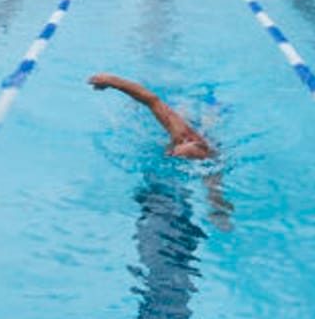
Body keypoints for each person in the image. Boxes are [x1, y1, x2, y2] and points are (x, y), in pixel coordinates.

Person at [88, 73, 233, 230]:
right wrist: (112, 81)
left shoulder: (210, 166)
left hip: (208, 140)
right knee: (187, 113)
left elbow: (216, 196)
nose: (174, 153)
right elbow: (151, 99)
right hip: (191, 121)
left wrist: (219, 212)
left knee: (210, 123)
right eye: (179, 149)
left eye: (180, 152)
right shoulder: (179, 130)